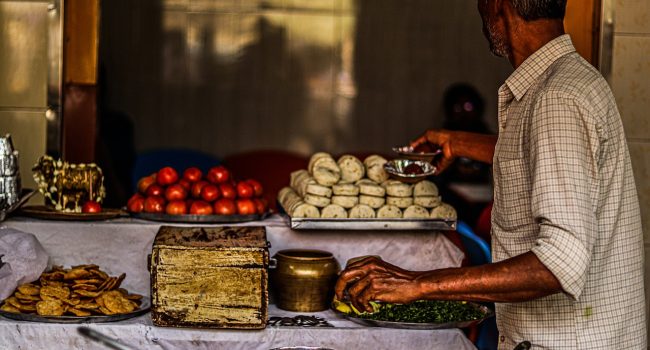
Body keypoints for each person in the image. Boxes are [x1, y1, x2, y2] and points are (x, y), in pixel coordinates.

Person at [335, 0, 646, 349]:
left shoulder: (556, 98)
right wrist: (459, 143)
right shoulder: (570, 80)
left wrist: (416, 283)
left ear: (498, 4)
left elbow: (560, 262)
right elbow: (548, 157)